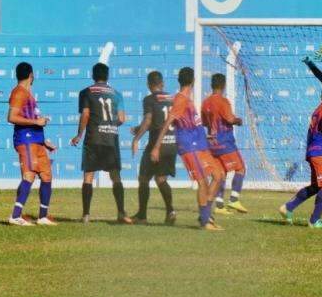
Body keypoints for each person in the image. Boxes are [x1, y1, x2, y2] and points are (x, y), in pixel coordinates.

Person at [151, 67, 225, 231]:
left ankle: (205, 215)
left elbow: (191, 124)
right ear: (193, 81)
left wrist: (205, 136)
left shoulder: (188, 100)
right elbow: (168, 122)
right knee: (202, 181)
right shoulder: (181, 100)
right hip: (189, 146)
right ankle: (205, 220)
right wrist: (156, 146)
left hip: (200, 144)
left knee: (218, 176)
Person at [279, 84, 322, 228]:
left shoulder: (318, 108)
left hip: (313, 151)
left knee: (317, 186)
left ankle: (288, 207)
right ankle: (314, 220)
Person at [70, 63, 132, 224]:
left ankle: (86, 215)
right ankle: (121, 213)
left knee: (89, 176)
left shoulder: (86, 92)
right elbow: (122, 119)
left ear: (93, 75)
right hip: (111, 139)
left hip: (93, 138)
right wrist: (110, 125)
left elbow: (85, 114)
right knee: (116, 176)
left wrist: (79, 134)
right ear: (107, 76)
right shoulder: (116, 94)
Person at [7, 62, 57, 226]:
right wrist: (36, 122)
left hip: (37, 141)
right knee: (29, 175)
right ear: (31, 75)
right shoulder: (19, 92)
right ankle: (15, 216)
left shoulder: (27, 93)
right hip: (26, 140)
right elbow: (11, 117)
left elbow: (32, 120)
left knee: (46, 175)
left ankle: (42, 216)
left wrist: (44, 141)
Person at [130, 71, 177, 224]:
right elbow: (161, 120)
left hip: (156, 145)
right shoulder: (172, 98)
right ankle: (170, 211)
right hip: (171, 143)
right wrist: (139, 127)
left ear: (149, 85)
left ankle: (142, 216)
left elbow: (149, 119)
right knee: (161, 179)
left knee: (143, 178)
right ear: (162, 83)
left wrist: (136, 139)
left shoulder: (149, 99)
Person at [201, 73, 248, 215]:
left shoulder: (205, 102)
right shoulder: (223, 101)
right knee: (241, 169)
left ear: (212, 85)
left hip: (211, 143)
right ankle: (234, 199)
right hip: (225, 142)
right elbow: (229, 118)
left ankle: (219, 205)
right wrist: (238, 120)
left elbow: (203, 122)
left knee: (221, 173)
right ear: (223, 85)